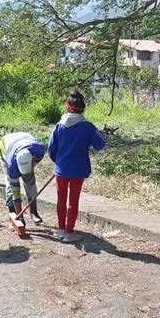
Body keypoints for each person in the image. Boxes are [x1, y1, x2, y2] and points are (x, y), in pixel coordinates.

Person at [48, 90, 106, 243]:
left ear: (68, 108)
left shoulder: (59, 126)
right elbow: (101, 144)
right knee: (73, 202)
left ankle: (60, 230)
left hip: (61, 170)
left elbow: (51, 149)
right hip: (79, 170)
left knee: (61, 200)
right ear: (82, 109)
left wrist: (59, 162)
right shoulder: (87, 127)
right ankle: (69, 233)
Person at [0, 132, 45, 224]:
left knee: (30, 181)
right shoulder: (11, 165)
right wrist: (20, 216)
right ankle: (13, 212)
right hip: (5, 146)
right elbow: (15, 190)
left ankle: (33, 213)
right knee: (10, 185)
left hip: (24, 141)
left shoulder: (39, 151)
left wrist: (30, 167)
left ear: (32, 158)